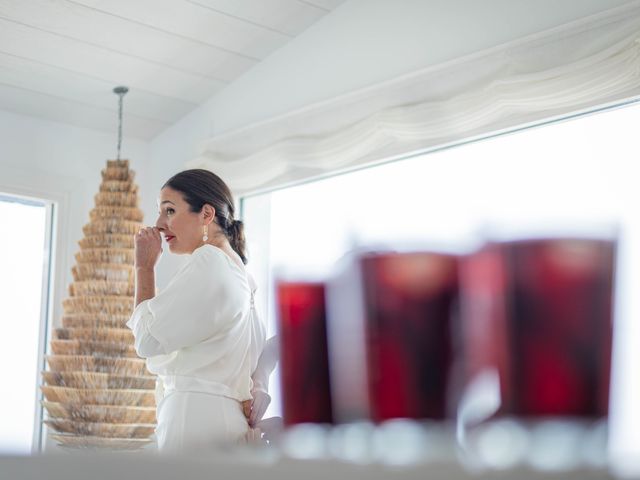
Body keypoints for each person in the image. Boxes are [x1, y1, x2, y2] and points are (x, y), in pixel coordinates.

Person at [127, 169, 266, 452]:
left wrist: (144, 267)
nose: (159, 224)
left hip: (194, 419)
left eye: (170, 210)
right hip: (228, 422)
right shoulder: (242, 276)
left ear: (206, 214)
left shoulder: (209, 261)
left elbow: (147, 340)